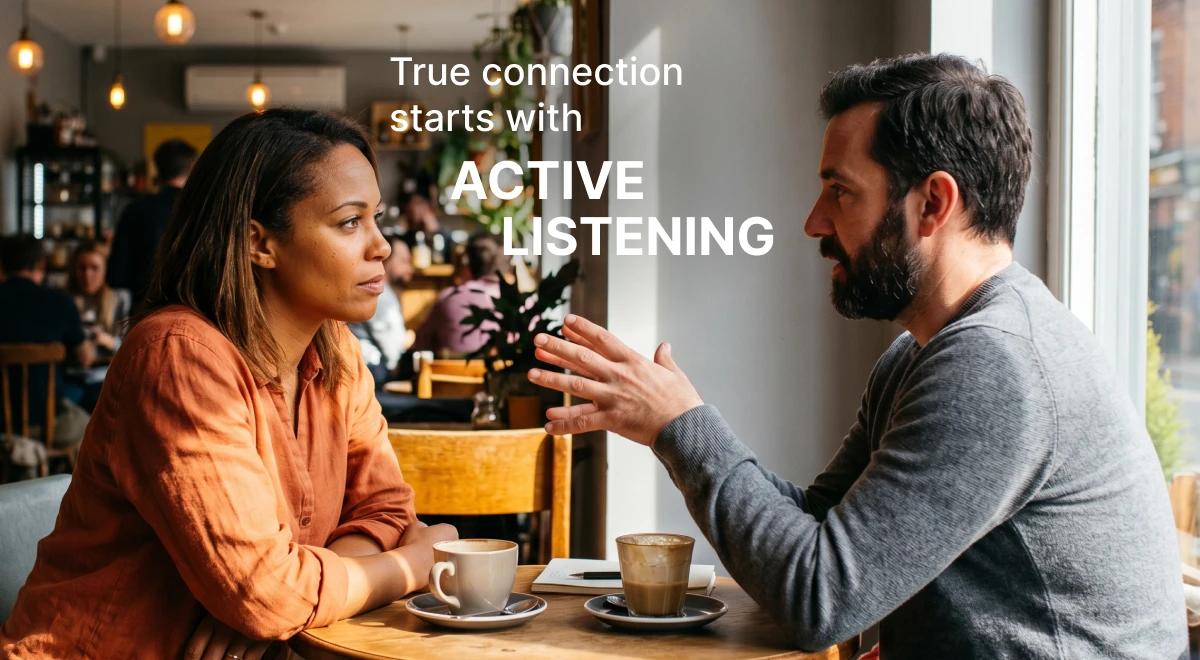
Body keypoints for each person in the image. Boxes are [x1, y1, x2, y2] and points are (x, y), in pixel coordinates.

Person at [528, 54, 1188, 658]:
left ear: (934, 203)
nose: (815, 221)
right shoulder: (921, 356)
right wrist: (673, 422)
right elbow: (819, 535)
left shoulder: (997, 366)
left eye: (840, 191)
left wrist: (683, 427)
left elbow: (818, 599)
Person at [0, 109, 457, 658]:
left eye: (376, 218)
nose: (381, 246)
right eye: (349, 222)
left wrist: (287, 605)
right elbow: (266, 595)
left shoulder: (335, 351)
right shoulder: (178, 356)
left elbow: (384, 512)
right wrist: (416, 562)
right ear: (258, 243)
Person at [0, 235, 94, 433]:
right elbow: (86, 358)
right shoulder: (60, 302)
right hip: (46, 423)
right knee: (86, 415)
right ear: (41, 265)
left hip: (3, 424)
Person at [107, 137, 198, 306]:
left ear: (157, 168)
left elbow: (116, 276)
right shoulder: (201, 209)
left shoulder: (134, 210)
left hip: (144, 311)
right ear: (192, 167)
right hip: (193, 311)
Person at [412, 232, 508, 356]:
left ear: (467, 264)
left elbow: (421, 344)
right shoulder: (521, 303)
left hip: (449, 374)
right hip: (501, 374)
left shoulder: (449, 298)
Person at [350, 237, 413, 384]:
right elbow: (393, 355)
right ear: (384, 260)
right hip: (373, 373)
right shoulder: (381, 295)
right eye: (404, 261)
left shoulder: (385, 293)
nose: (410, 268)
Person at [67, 240, 131, 356]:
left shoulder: (120, 299)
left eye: (94, 268)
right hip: (72, 371)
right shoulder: (66, 300)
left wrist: (109, 342)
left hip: (107, 370)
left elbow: (131, 348)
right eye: (82, 268)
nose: (87, 275)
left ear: (105, 269)